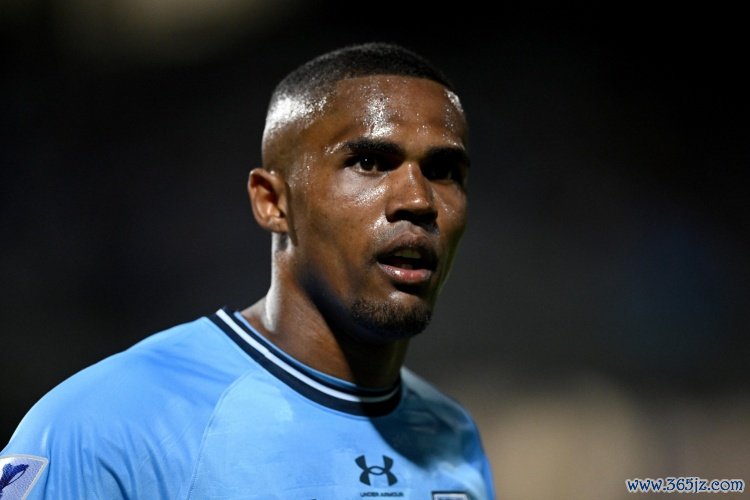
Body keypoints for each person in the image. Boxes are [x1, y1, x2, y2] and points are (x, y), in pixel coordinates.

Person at [1, 41, 496, 499]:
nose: (418, 200)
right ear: (272, 201)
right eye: (369, 162)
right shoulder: (102, 427)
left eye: (443, 171)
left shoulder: (453, 438)